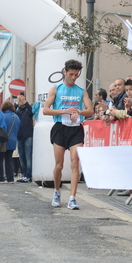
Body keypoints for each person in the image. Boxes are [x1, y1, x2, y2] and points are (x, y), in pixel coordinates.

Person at [42, 59, 93, 210]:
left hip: (76, 128)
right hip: (60, 128)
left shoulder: (81, 90)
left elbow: (90, 110)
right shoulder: (56, 89)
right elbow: (46, 110)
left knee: (75, 162)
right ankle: (57, 192)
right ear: (64, 72)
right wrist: (64, 111)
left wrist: (79, 112)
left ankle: (72, 198)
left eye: (76, 75)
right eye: (71, 74)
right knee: (59, 165)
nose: (73, 77)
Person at [0, 101, 21, 183]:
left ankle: (0, 177)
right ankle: (10, 178)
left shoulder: (2, 116)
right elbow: (18, 128)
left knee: (0, 159)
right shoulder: (16, 117)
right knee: (9, 160)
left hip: (3, 140)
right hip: (12, 140)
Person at [15, 93, 34, 182]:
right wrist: (16, 103)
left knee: (28, 156)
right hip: (19, 136)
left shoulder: (28, 110)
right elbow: (12, 112)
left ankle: (28, 175)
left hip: (28, 135)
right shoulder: (17, 110)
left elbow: (33, 111)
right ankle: (24, 174)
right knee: (21, 156)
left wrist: (25, 103)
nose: (21, 101)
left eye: (22, 99)